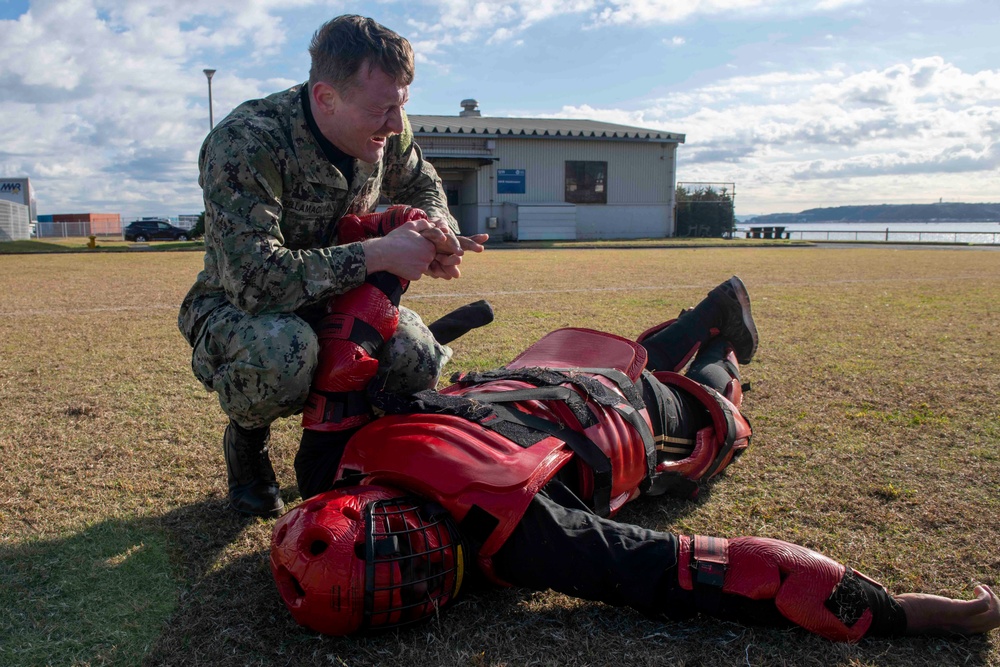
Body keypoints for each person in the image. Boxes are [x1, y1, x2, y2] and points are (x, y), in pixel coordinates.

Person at [269, 277, 1000, 642]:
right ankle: (705, 319)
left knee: (718, 424)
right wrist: (387, 261)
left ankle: (714, 337)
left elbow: (718, 571)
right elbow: (350, 336)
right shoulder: (330, 465)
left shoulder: (527, 539)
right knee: (668, 394)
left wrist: (896, 614)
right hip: (530, 380)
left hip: (615, 411)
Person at [177, 15, 487, 518]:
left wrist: (436, 229)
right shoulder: (247, 141)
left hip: (343, 299)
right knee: (284, 354)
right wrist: (380, 254)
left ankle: (348, 448)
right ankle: (248, 440)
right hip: (243, 307)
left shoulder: (386, 125)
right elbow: (255, 281)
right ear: (326, 98)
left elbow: (423, 182)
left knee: (416, 356)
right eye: (381, 110)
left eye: (402, 105)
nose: (395, 124)